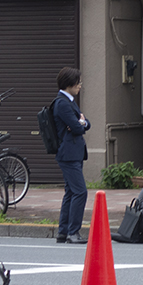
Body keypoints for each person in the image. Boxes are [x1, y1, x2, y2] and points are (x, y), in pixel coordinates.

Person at [53, 67, 91, 244]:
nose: (80, 85)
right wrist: (81, 123)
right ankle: (73, 232)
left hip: (73, 153)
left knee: (70, 192)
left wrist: (81, 123)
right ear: (69, 83)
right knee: (80, 192)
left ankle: (64, 232)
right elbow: (77, 127)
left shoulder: (69, 101)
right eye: (78, 82)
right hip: (68, 154)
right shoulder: (62, 103)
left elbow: (85, 123)